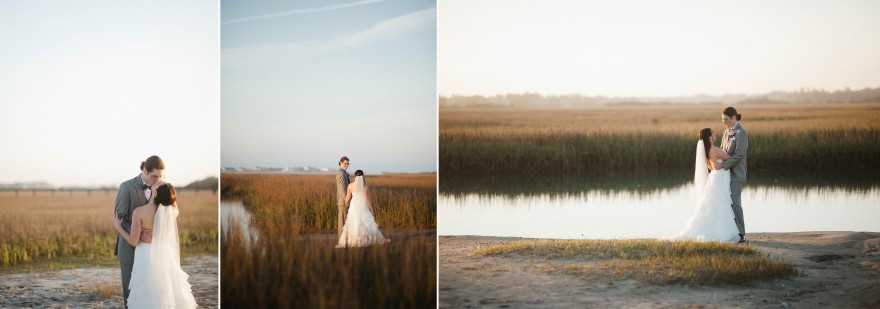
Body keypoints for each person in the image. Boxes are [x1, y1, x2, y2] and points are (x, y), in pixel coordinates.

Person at [113, 183, 197, 308]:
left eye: (159, 185)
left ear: (156, 193)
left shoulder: (140, 212)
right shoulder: (172, 212)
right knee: (165, 283)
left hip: (146, 254)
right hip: (165, 253)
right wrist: (168, 190)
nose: (158, 182)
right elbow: (173, 204)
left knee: (147, 285)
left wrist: (118, 227)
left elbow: (133, 241)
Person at [672, 128, 741, 243]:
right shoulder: (715, 150)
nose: (715, 135)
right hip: (720, 178)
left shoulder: (707, 150)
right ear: (710, 137)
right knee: (721, 203)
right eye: (713, 134)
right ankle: (722, 232)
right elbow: (731, 159)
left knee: (713, 203)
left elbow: (712, 164)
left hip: (715, 177)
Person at [114, 155, 164, 306]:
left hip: (151, 250)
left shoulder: (162, 186)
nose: (157, 180)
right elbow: (120, 217)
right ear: (144, 170)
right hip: (129, 247)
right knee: (130, 292)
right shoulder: (126, 187)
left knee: (149, 290)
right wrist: (139, 233)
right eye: (154, 176)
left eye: (160, 176)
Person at [713, 107, 749, 243]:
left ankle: (741, 233)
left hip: (737, 173)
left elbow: (739, 155)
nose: (724, 122)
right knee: (725, 203)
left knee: (735, 202)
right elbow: (723, 150)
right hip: (725, 175)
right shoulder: (725, 132)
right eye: (722, 120)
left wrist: (723, 165)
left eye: (726, 119)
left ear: (734, 117)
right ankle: (730, 232)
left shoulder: (742, 132)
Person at [336, 170, 388, 248]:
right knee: (365, 221)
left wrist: (346, 203)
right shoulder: (365, 186)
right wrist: (372, 210)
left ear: (355, 176)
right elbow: (367, 200)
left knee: (354, 221)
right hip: (362, 205)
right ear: (362, 176)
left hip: (354, 205)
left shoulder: (350, 186)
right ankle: (366, 239)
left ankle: (354, 240)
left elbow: (348, 197)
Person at [336, 156, 351, 236]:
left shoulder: (344, 172)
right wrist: (346, 200)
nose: (347, 165)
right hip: (343, 201)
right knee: (342, 221)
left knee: (345, 220)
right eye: (345, 163)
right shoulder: (340, 173)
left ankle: (344, 238)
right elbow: (342, 188)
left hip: (344, 200)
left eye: (348, 164)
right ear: (341, 163)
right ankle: (341, 239)